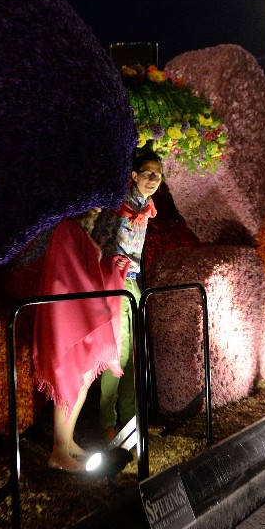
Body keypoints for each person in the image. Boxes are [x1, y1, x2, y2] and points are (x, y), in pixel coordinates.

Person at [33, 209, 129, 471]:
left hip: (78, 315)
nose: (98, 208)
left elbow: (88, 274)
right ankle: (59, 451)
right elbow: (68, 275)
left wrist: (111, 268)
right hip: (70, 317)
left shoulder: (79, 232)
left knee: (83, 380)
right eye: (93, 202)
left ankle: (66, 442)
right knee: (71, 381)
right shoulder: (67, 230)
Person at [91, 150, 162, 443]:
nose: (153, 179)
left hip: (133, 282)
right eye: (148, 173)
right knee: (117, 351)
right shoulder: (117, 205)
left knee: (134, 353)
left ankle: (131, 419)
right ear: (134, 175)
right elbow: (98, 243)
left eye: (158, 175)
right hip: (114, 282)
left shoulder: (145, 206)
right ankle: (107, 421)